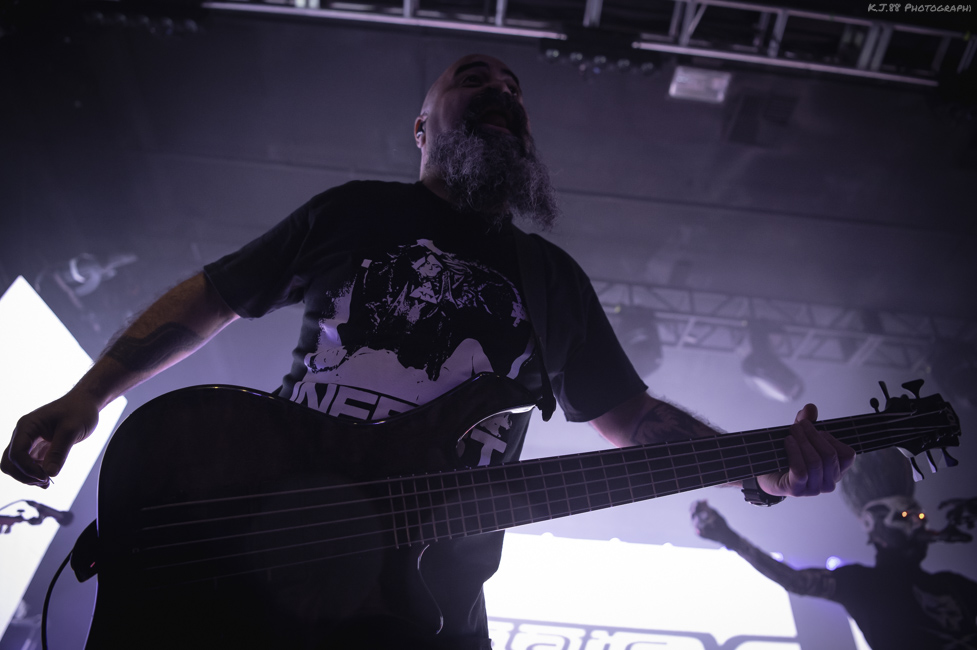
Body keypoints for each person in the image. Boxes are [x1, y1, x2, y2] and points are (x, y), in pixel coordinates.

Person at [3, 53, 855, 649]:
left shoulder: (548, 276)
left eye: (513, 89)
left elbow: (631, 420)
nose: (501, 92)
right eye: (473, 79)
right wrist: (88, 396)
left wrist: (758, 468)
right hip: (273, 553)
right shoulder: (352, 213)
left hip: (431, 604)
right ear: (421, 127)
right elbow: (214, 296)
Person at [691, 448, 977, 650]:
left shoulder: (953, 585)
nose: (916, 523)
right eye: (904, 516)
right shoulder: (863, 584)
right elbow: (795, 580)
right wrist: (729, 538)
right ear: (871, 524)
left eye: (919, 517)